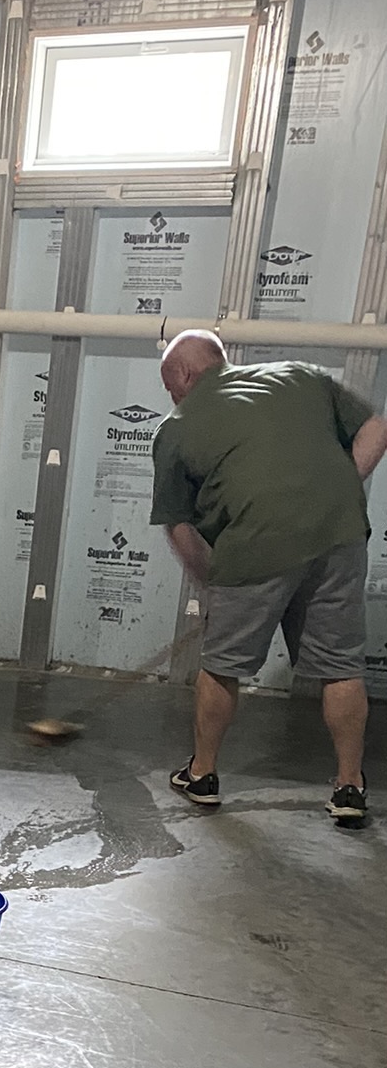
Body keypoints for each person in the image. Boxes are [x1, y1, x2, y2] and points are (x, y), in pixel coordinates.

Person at [151, 330, 387, 825]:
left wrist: (209, 583)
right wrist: (341, 490)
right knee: (341, 666)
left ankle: (204, 774)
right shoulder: (300, 376)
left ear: (186, 376)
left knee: (222, 665)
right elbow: (377, 428)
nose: (170, 396)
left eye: (169, 385)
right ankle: (350, 786)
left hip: (253, 543)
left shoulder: (174, 429)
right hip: (340, 534)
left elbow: (180, 526)